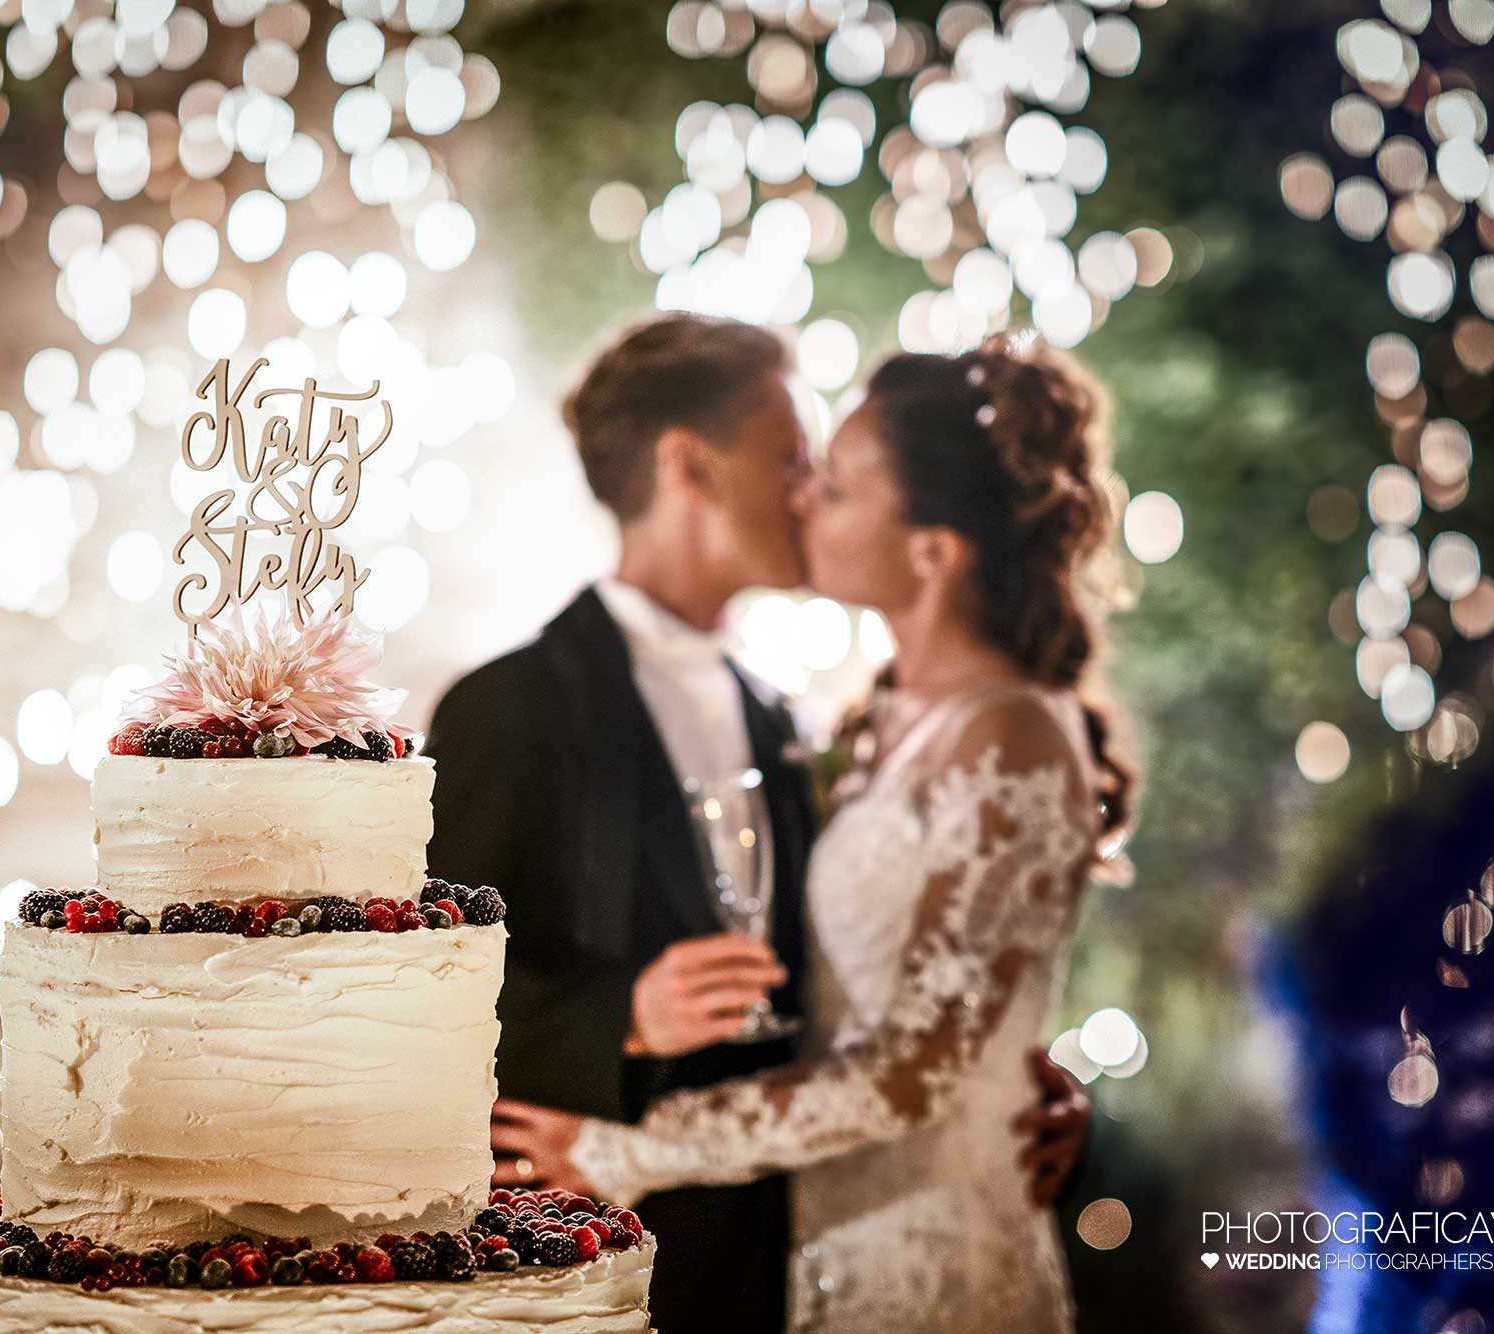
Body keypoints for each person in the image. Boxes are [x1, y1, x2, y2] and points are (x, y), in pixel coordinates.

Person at [426, 315, 1092, 1333]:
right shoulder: (508, 706)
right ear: (689, 465)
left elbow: (903, 980)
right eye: (791, 462)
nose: (808, 493)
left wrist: (1011, 1078)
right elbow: (426, 999)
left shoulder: (790, 716)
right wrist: (625, 1015)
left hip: (790, 1261)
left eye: (826, 473)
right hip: (604, 1273)